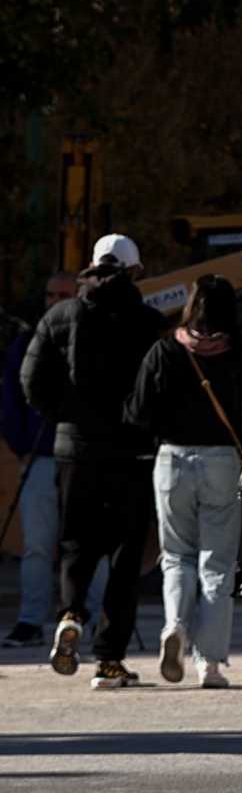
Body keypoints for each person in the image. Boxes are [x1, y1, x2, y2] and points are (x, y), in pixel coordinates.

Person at [19, 235, 168, 688]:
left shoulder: (60, 316)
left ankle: (70, 614)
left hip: (74, 450)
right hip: (131, 452)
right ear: (133, 271)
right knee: (125, 555)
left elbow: (32, 379)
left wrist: (65, 417)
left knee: (76, 542)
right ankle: (109, 659)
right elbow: (159, 388)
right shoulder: (148, 322)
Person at [125, 276, 242, 688]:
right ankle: (210, 663)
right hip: (221, 459)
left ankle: (175, 627)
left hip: (171, 459)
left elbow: (137, 411)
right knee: (217, 563)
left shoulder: (165, 350)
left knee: (176, 556)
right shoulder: (240, 353)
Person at [3, 274, 106, 650]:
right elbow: (11, 400)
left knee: (91, 543)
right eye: (50, 295)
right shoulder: (26, 343)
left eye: (63, 295)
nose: (54, 301)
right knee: (37, 545)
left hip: (85, 456)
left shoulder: (95, 336)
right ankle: (31, 620)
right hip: (41, 456)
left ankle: (95, 617)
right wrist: (20, 445)